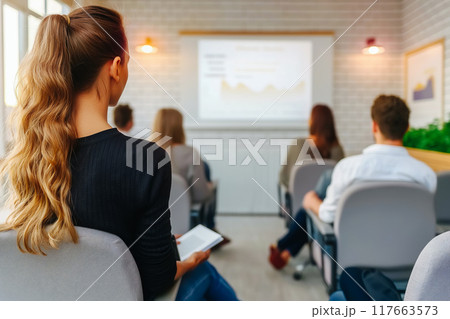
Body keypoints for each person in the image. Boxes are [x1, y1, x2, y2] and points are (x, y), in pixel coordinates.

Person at [0, 6, 237, 301]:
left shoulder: (30, 156)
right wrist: (184, 263)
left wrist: (160, 246)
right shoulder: (147, 159)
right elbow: (154, 281)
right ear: (115, 67)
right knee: (202, 271)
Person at [269, 95, 437, 270]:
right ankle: (285, 247)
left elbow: (327, 215)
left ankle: (284, 246)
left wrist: (310, 201)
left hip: (353, 263)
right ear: (407, 128)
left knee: (317, 195)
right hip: (411, 265)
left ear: (374, 126)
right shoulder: (426, 175)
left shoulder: (348, 168)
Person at [152, 108, 230, 247]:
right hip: (183, 216)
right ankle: (210, 229)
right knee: (210, 186)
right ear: (179, 127)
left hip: (152, 221)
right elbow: (201, 195)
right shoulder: (190, 153)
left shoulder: (144, 153)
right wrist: (209, 187)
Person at [279, 104, 345, 189]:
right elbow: (342, 180)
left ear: (312, 121)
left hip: (299, 200)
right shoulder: (337, 150)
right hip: (327, 200)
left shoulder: (299, 144)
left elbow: (284, 178)